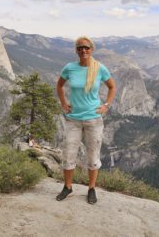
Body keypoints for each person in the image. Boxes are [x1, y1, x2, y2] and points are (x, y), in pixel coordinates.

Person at [55, 36, 116, 204]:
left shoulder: (100, 69)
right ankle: (68, 187)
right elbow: (59, 85)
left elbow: (112, 86)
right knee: (68, 154)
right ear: (76, 50)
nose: (83, 50)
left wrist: (106, 105)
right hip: (73, 119)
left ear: (91, 49)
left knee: (93, 155)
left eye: (86, 47)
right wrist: (64, 102)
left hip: (93, 119)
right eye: (80, 48)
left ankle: (91, 188)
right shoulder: (70, 68)